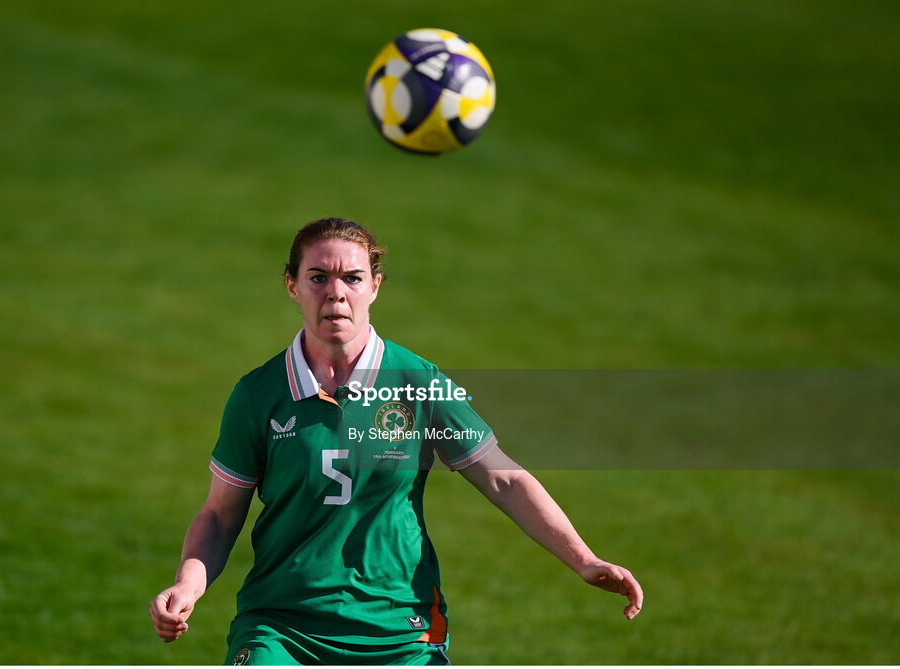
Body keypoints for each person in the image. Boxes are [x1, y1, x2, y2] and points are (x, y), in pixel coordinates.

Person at [149, 217, 643, 665]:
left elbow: (504, 479)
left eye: (352, 278)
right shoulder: (258, 395)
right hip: (282, 625)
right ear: (292, 286)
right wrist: (187, 586)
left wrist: (585, 559)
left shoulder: (416, 381)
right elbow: (220, 514)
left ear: (375, 287)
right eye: (318, 277)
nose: (335, 293)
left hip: (399, 631)